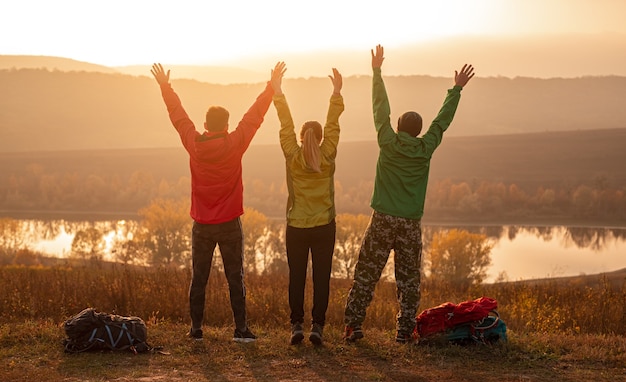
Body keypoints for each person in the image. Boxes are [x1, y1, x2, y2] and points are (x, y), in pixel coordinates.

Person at [342, 45, 475, 344]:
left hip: (382, 220)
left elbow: (380, 108)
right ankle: (404, 332)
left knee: (366, 273)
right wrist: (456, 89)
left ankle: (353, 326)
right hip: (409, 224)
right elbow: (442, 122)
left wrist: (376, 71)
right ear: (418, 131)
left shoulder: (387, 142)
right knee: (409, 280)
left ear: (399, 127)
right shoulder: (426, 148)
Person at [150, 61, 286, 343]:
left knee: (198, 277)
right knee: (235, 277)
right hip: (228, 224)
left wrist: (165, 87)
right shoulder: (234, 143)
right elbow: (253, 117)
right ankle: (240, 330)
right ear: (225, 125)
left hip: (201, 224)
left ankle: (196, 330)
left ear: (205, 126)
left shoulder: (194, 143)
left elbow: (178, 117)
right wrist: (270, 88)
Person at [270, 65, 344, 345]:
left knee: (297, 278)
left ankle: (296, 326)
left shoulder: (292, 155)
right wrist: (336, 93)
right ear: (322, 138)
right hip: (324, 225)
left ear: (301, 138)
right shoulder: (328, 154)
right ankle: (318, 327)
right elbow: (334, 123)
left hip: (297, 226)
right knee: (322, 278)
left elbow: (284, 124)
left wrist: (278, 91)